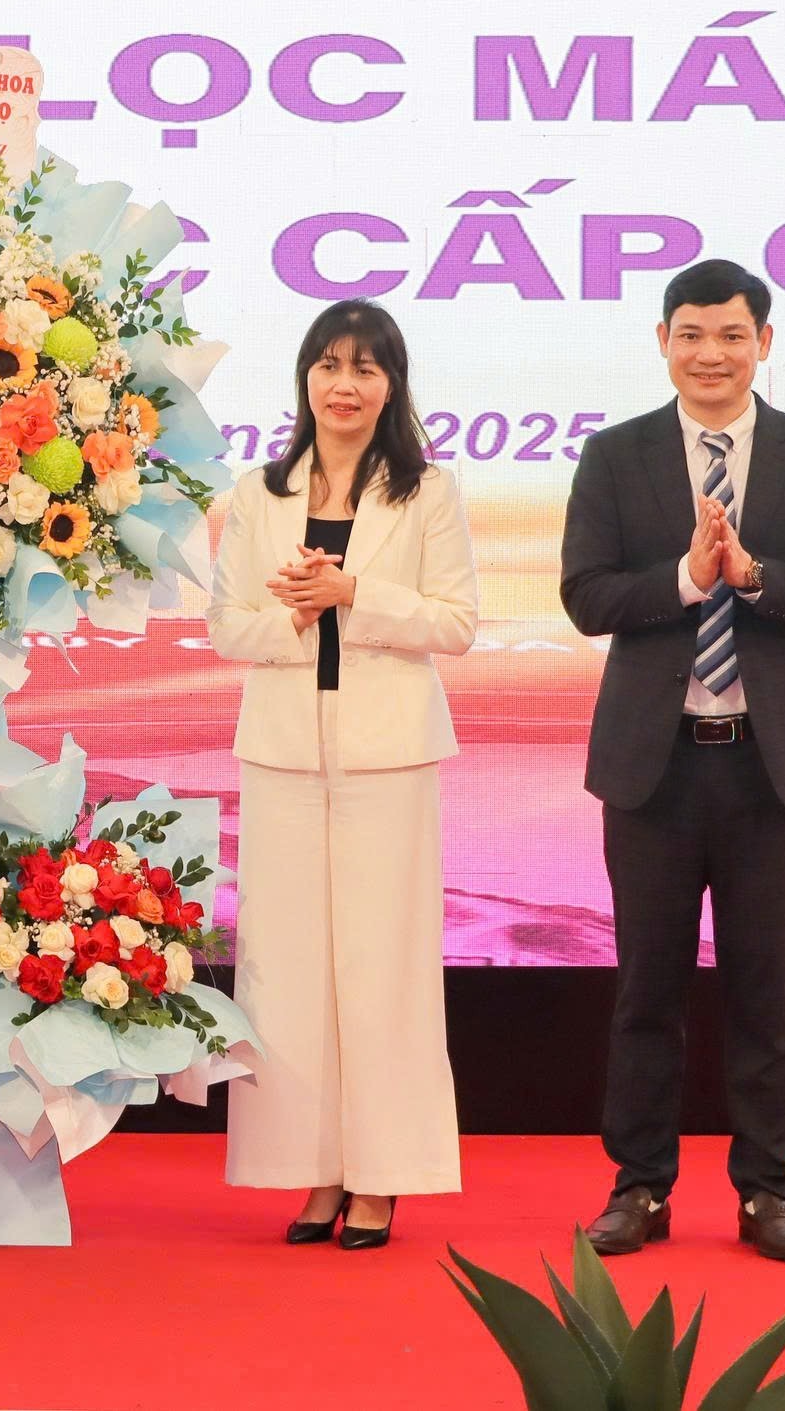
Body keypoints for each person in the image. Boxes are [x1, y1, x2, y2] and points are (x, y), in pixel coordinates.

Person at [561, 259, 785, 1264]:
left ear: (763, 343)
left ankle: (767, 1193)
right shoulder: (616, 455)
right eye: (690, 334)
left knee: (764, 994)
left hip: (766, 771)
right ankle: (640, 1188)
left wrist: (754, 575)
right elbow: (586, 597)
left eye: (732, 335)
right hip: (651, 770)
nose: (711, 354)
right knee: (645, 991)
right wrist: (687, 580)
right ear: (663, 342)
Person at [206, 300, 478, 1251]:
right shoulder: (260, 490)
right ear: (305, 378)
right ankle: (316, 1169)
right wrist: (293, 614)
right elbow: (226, 626)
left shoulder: (427, 490)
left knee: (383, 964)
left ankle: (381, 1174)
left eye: (365, 367)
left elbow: (456, 622)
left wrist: (353, 592)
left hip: (388, 753)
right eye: (328, 364)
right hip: (283, 751)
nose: (345, 385)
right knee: (287, 969)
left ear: (391, 384)